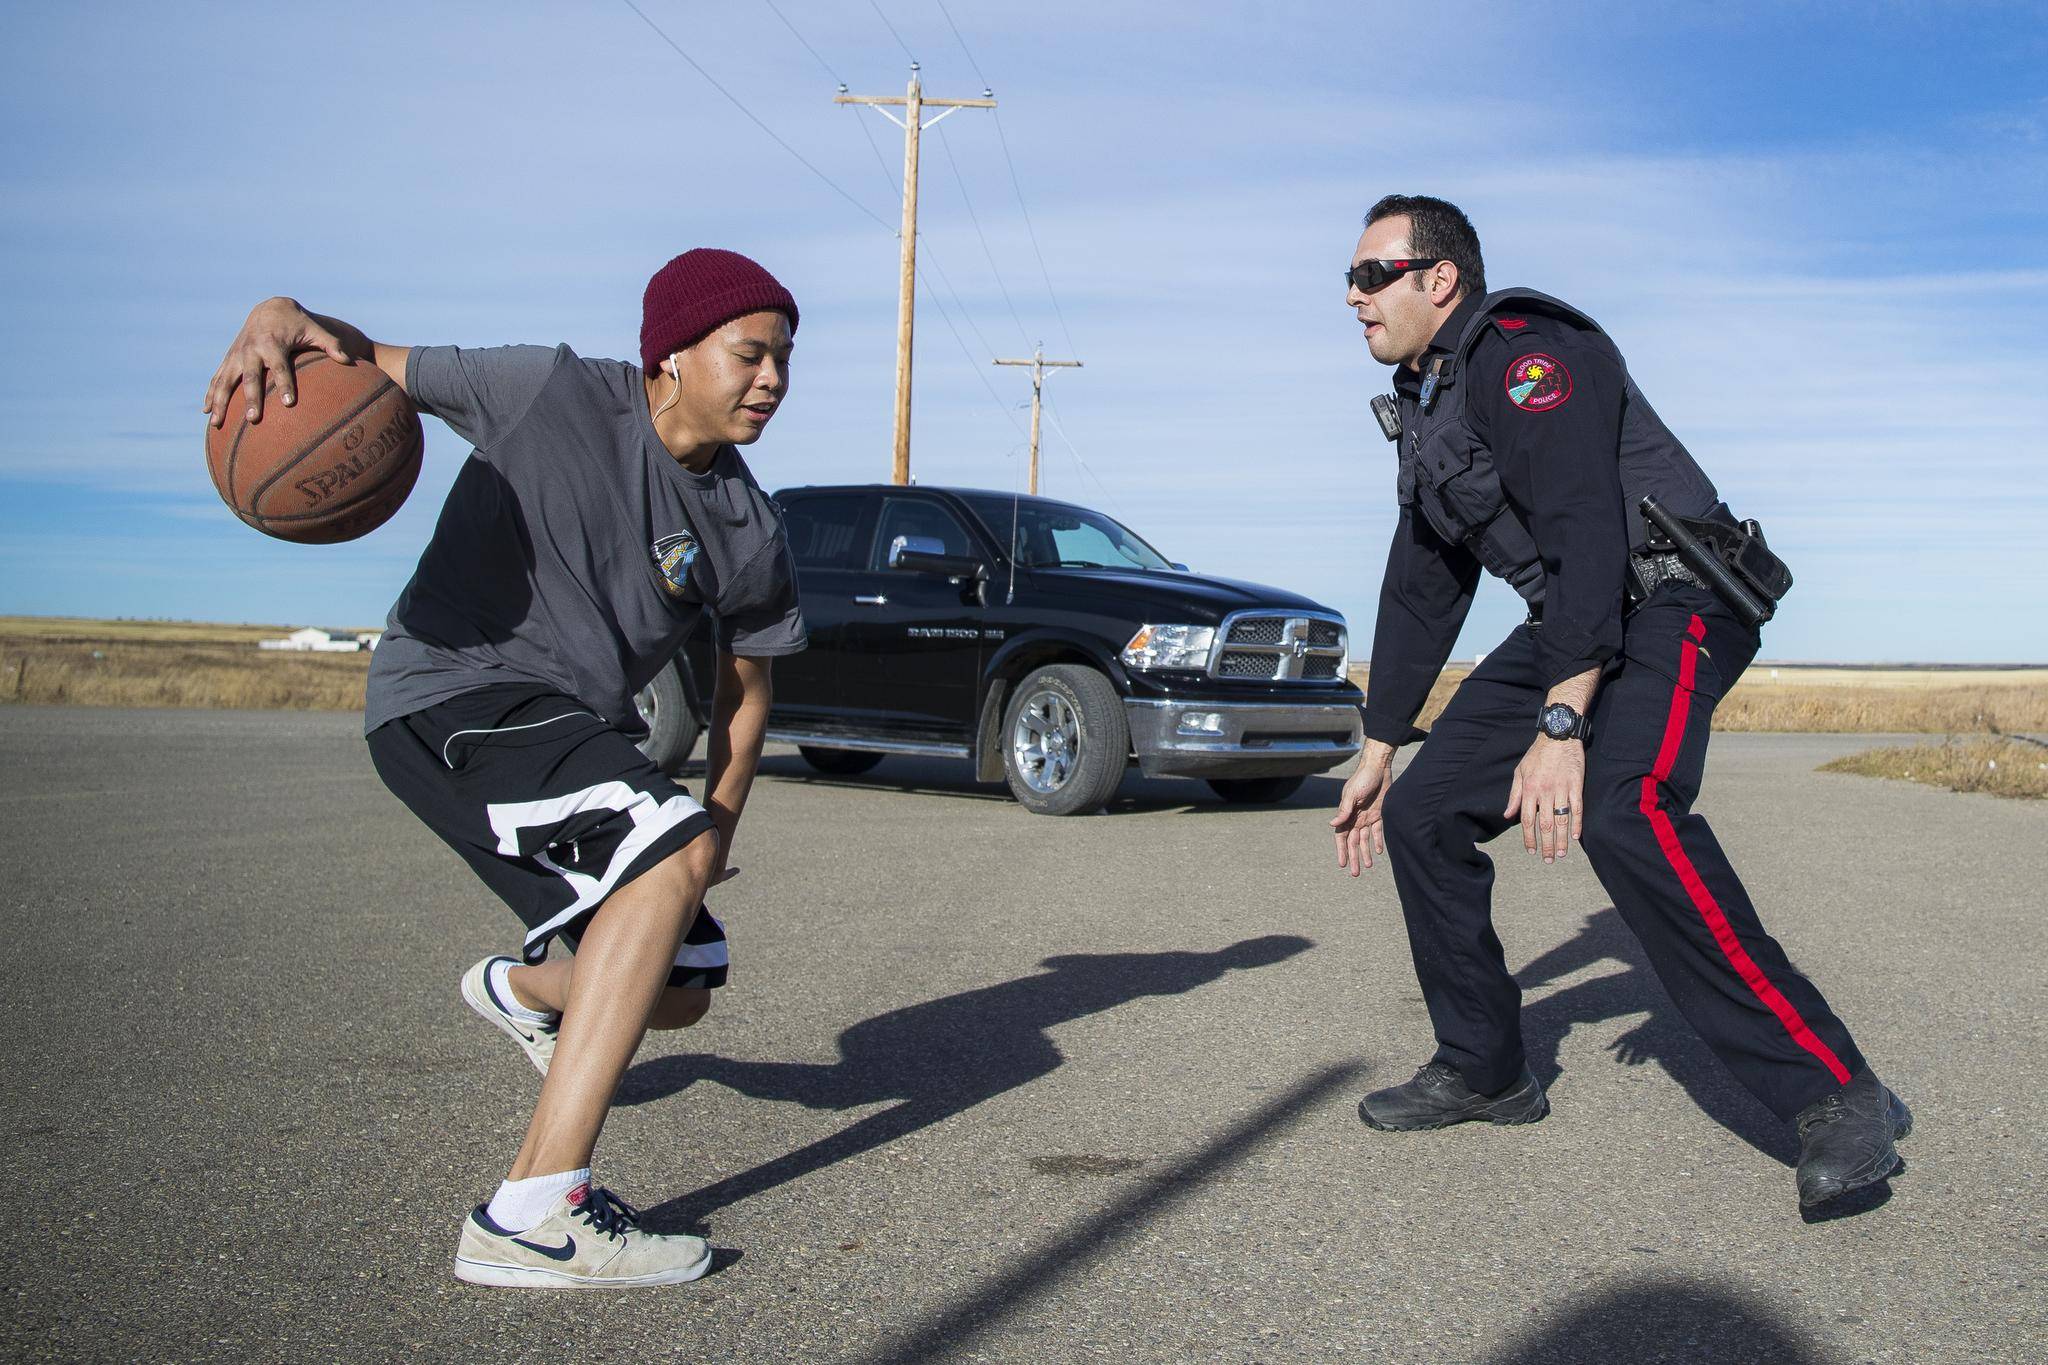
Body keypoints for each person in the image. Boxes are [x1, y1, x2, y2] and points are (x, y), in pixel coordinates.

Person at [204, 248, 807, 1285]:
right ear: (668, 354)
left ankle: (529, 992)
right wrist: (276, 310)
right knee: (657, 858)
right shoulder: (548, 391)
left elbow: (744, 697)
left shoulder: (746, 527)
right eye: (749, 354)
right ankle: (534, 1214)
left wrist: (720, 828)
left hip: (570, 728)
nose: (771, 381)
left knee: (683, 979)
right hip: (449, 693)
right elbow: (356, 356)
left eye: (783, 361)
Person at [1327, 195, 1910, 1211]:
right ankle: (1484, 1069)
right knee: (1422, 813)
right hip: (1578, 612)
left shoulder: (1524, 352)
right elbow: (1422, 582)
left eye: (1374, 273)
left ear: (1439, 279)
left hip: (1673, 592)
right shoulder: (1426, 405)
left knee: (1622, 805)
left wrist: (1560, 725)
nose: (1351, 295)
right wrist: (1380, 744)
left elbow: (1585, 523)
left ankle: (1834, 1090)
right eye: (1350, 277)